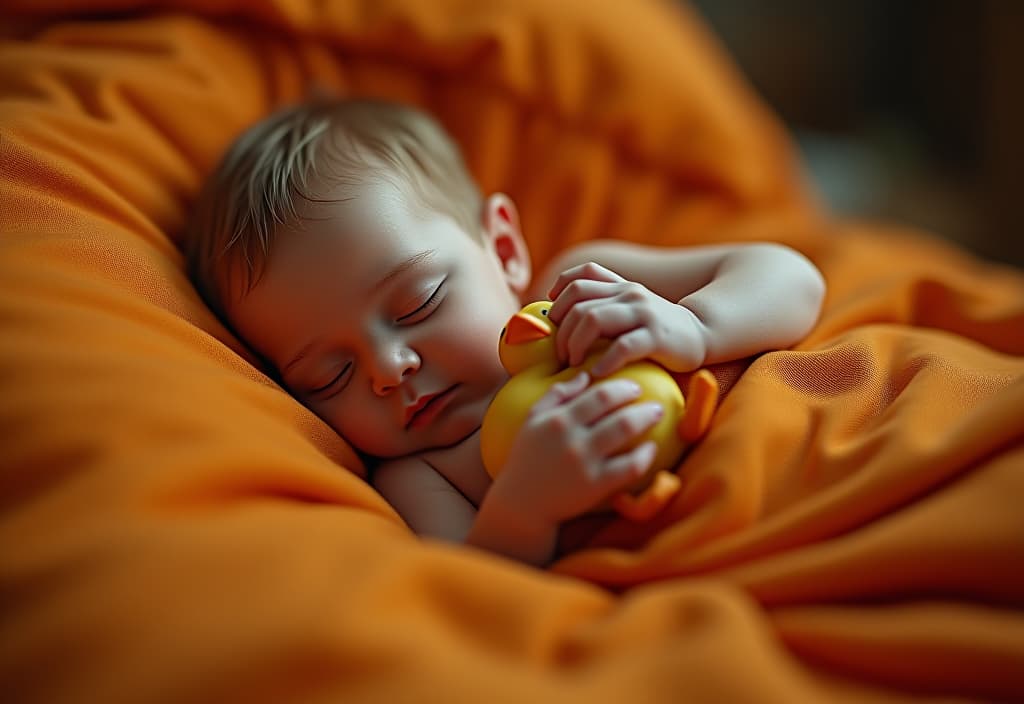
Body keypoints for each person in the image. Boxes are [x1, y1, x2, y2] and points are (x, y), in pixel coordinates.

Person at [187, 98, 826, 566]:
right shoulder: (424, 475)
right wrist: (524, 507)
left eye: (417, 303)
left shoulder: (584, 291)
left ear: (502, 246)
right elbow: (475, 587)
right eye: (329, 376)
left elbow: (794, 280)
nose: (389, 368)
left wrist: (695, 327)